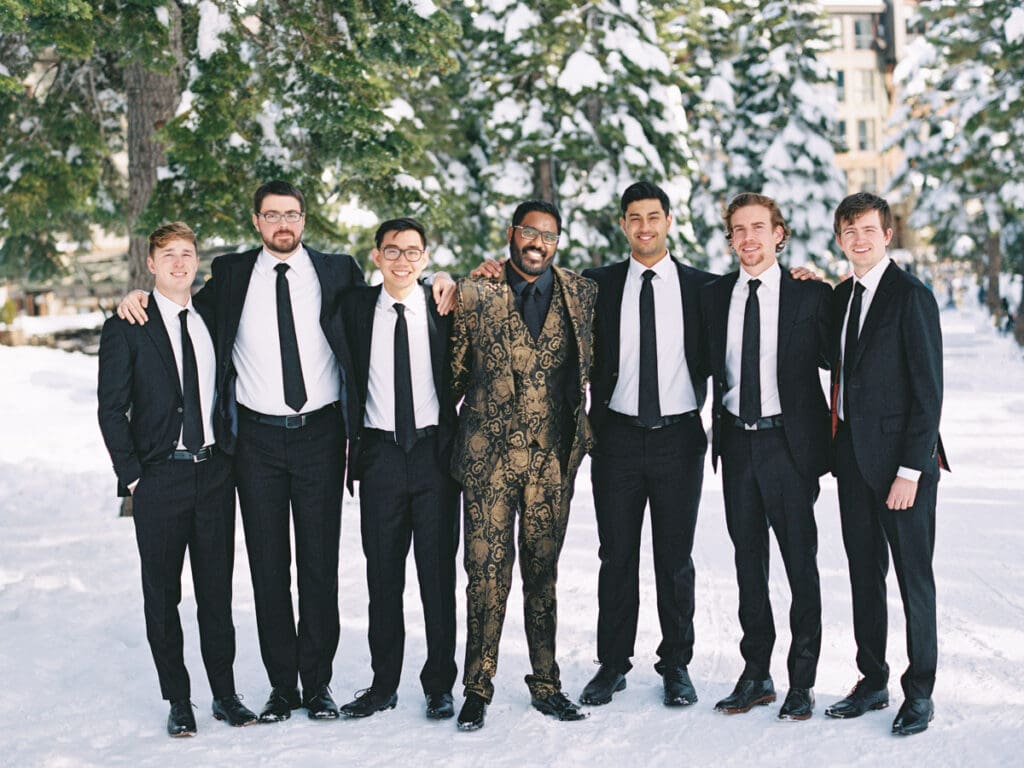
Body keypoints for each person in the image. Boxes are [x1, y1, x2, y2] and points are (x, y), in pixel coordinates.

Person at [98, 222, 257, 736]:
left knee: (216, 594)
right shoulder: (129, 324)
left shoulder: (210, 313)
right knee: (163, 596)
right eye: (168, 255)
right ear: (151, 263)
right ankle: (179, 699)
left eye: (187, 254)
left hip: (214, 474)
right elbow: (110, 410)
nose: (180, 263)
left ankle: (226, 695)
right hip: (159, 478)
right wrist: (134, 478)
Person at [450, 200, 596, 730]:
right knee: (484, 577)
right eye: (530, 233)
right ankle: (476, 686)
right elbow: (454, 376)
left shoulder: (581, 293)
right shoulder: (476, 294)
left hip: (551, 464)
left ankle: (547, 682)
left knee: (543, 574)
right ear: (512, 234)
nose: (539, 243)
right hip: (488, 463)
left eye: (550, 235)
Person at [579, 181, 715, 709]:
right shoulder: (597, 284)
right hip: (615, 438)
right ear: (623, 225)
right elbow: (532, 287)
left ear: (668, 221)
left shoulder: (703, 287)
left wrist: (805, 277)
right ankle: (612, 665)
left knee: (674, 559)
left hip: (678, 437)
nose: (644, 227)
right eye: (634, 218)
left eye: (653, 217)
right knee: (616, 557)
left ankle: (676, 664)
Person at [699, 193, 831, 720]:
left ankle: (802, 680)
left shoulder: (809, 295)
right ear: (729, 238)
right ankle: (756, 674)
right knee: (747, 565)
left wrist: (827, 285)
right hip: (736, 443)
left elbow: (836, 352)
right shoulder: (714, 297)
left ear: (780, 233)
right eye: (738, 229)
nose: (748, 238)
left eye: (759, 227)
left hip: (789, 446)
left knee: (801, 565)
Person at [825, 192, 948, 736]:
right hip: (853, 461)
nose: (859, 240)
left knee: (913, 580)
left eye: (868, 230)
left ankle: (918, 690)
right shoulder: (843, 295)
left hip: (904, 469)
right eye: (849, 231)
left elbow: (929, 394)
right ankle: (872, 679)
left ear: (887, 235)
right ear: (839, 239)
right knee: (863, 576)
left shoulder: (911, 296)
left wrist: (910, 471)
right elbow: (833, 359)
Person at [331, 218, 459, 721]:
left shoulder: (445, 305)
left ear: (425, 258)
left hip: (434, 458)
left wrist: (450, 279)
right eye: (392, 250)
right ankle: (383, 683)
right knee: (383, 579)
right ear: (376, 255)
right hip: (380, 455)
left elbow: (489, 289)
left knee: (436, 578)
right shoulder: (355, 308)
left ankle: (439, 685)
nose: (402, 259)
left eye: (412, 252)